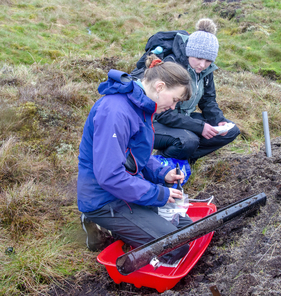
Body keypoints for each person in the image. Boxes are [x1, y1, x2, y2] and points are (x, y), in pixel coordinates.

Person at [77, 55, 194, 265]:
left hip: (126, 190)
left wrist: (161, 173)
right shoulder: (115, 112)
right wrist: (158, 193)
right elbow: (110, 176)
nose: (174, 107)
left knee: (187, 228)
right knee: (176, 246)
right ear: (160, 86)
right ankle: (99, 222)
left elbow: (134, 156)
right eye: (175, 100)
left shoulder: (140, 106)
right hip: (103, 199)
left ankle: (132, 228)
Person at [132, 19, 240, 164]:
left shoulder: (205, 70)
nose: (203, 65)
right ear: (190, 52)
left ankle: (184, 157)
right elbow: (163, 112)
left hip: (183, 116)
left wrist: (219, 120)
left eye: (208, 60)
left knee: (231, 131)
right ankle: (161, 164)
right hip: (155, 120)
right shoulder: (172, 67)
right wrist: (199, 127)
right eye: (199, 58)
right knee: (189, 140)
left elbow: (208, 100)